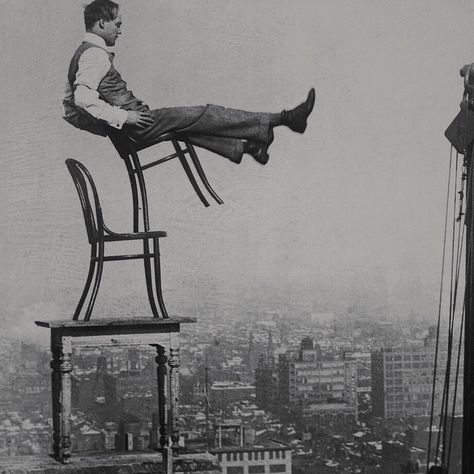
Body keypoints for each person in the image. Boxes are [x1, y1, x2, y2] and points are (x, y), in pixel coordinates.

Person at [63, 0, 315, 165]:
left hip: (135, 127)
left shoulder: (83, 52)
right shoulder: (93, 55)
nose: (120, 31)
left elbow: (68, 110)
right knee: (206, 113)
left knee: (189, 124)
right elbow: (81, 100)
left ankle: (249, 146)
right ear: (102, 23)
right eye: (117, 25)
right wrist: (122, 119)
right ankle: (285, 118)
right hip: (137, 127)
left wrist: (107, 126)